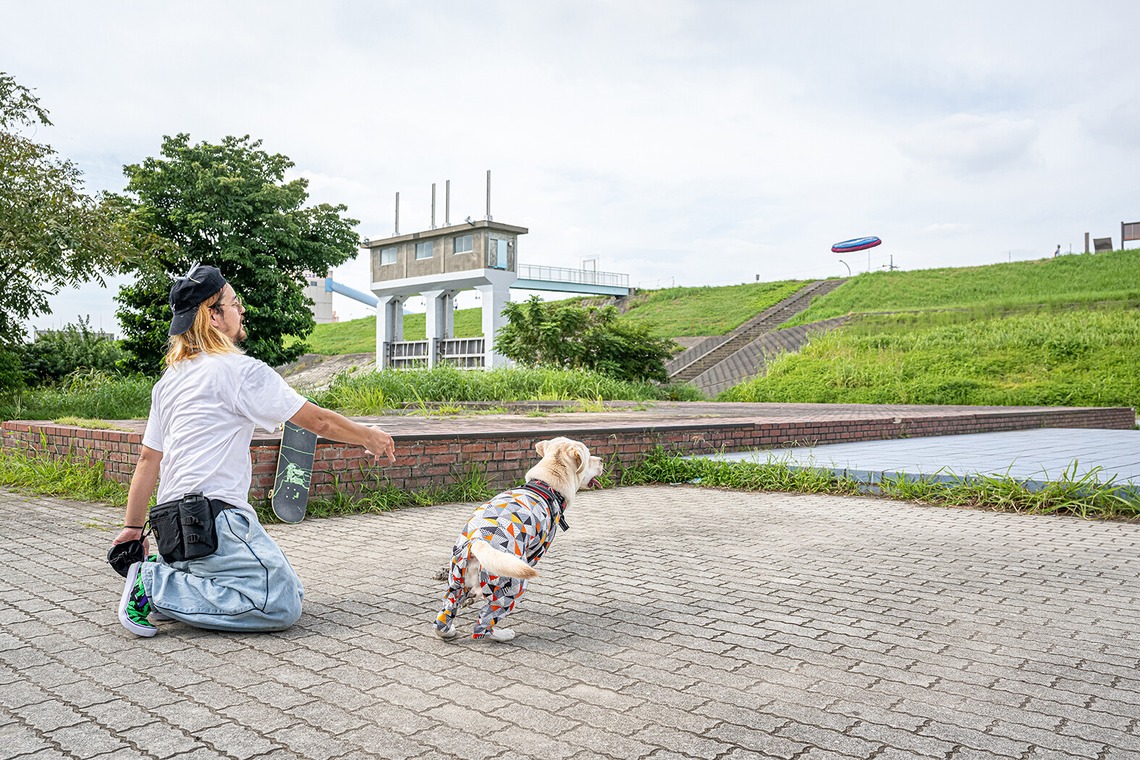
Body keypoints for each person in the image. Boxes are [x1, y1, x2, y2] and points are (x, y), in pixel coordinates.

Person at [110, 264, 397, 637]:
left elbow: (149, 459)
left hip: (171, 530)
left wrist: (133, 528)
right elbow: (318, 422)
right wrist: (368, 437)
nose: (241, 309)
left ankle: (174, 589)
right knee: (280, 603)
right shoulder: (239, 370)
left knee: (290, 587)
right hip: (213, 520)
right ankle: (153, 586)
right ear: (213, 316)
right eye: (234, 302)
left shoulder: (169, 381)